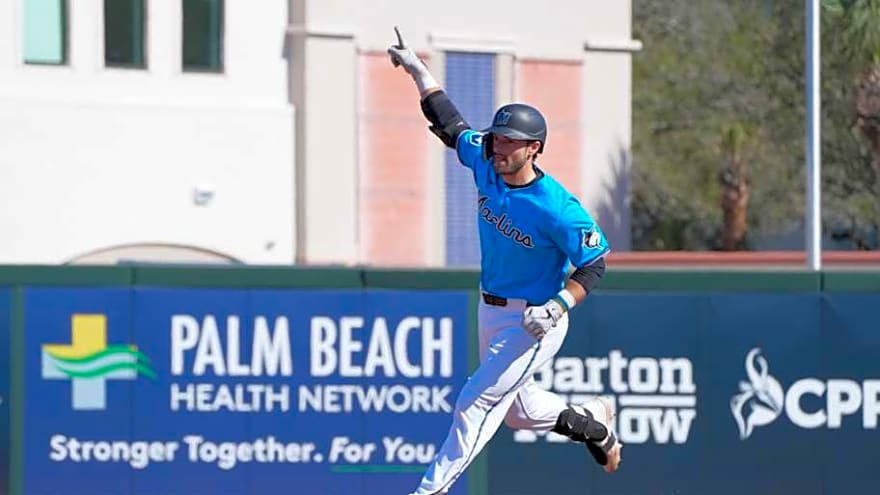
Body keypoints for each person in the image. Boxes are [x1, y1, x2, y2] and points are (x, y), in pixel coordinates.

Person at [387, 27, 621, 495]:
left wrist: (558, 306)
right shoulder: (486, 162)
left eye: (510, 141)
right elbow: (450, 123)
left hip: (536, 319)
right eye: (497, 138)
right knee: (517, 408)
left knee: (474, 403)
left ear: (534, 147)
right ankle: (595, 425)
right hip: (490, 309)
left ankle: (427, 492)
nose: (498, 146)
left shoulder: (557, 207)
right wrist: (418, 70)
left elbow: (595, 263)